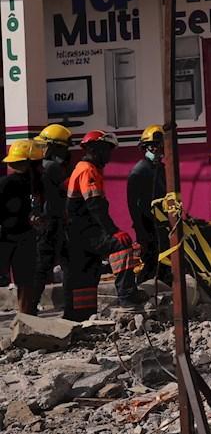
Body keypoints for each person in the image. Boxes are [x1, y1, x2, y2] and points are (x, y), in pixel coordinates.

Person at [63, 130, 134, 320]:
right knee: (122, 245)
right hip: (84, 231)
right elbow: (95, 206)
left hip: (79, 232)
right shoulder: (87, 170)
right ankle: (127, 296)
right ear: (96, 149)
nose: (109, 155)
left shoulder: (86, 168)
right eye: (107, 150)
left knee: (87, 274)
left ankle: (82, 316)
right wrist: (114, 231)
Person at [0, 140, 44, 314]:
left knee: (26, 280)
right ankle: (26, 316)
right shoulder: (7, 184)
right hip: (6, 236)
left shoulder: (35, 184)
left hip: (23, 236)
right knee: (25, 280)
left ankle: (26, 318)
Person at [32, 123, 72, 307]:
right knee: (64, 264)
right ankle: (70, 306)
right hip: (54, 223)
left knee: (42, 267)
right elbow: (66, 191)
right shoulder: (52, 168)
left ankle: (30, 307)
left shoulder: (39, 166)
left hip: (44, 222)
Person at [127, 125, 168, 287]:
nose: (157, 149)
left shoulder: (160, 169)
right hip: (147, 225)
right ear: (146, 148)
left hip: (161, 224)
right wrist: (140, 229)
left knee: (164, 261)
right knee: (150, 262)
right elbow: (132, 204)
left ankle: (164, 289)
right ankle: (144, 289)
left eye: (160, 145)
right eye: (153, 146)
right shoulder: (140, 171)